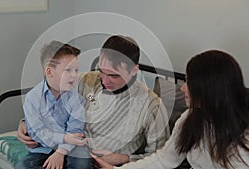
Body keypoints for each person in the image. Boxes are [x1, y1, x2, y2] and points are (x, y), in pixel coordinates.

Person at [18, 35, 170, 167]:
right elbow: (51, 99)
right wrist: (25, 124)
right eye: (102, 71)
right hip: (66, 150)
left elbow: (162, 159)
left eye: (114, 76)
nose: (104, 80)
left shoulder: (152, 106)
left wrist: (123, 159)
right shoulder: (87, 81)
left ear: (134, 70)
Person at [92, 50, 249, 169]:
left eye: (188, 82)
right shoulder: (191, 117)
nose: (183, 88)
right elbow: (165, 159)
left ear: (208, 90)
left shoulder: (243, 143)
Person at [15, 41, 92, 169]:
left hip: (72, 148)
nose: (74, 75)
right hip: (42, 149)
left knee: (83, 164)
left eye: (76, 70)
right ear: (49, 72)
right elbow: (36, 132)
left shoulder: (76, 99)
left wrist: (60, 152)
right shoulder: (32, 98)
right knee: (22, 167)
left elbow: (75, 131)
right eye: (68, 70)